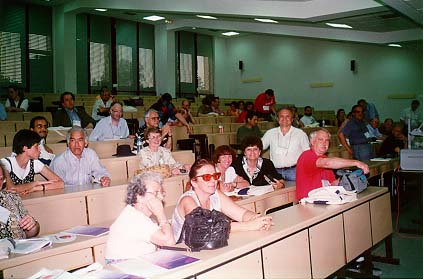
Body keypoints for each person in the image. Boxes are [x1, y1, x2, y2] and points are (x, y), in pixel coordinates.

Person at [171, 158, 273, 241]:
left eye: (215, 176)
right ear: (194, 182)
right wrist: (248, 226)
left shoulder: (216, 194)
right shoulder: (188, 200)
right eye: (206, 177)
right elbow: (205, 228)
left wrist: (258, 219)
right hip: (186, 253)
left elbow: (241, 214)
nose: (213, 181)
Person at [105, 172, 175, 262]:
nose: (161, 197)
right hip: (124, 269)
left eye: (162, 193)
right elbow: (169, 242)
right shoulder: (134, 219)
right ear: (139, 196)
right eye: (156, 193)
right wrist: (161, 214)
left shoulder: (135, 213)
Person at [296, 128, 369, 200]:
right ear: (312, 141)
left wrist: (345, 180)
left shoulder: (324, 157)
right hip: (310, 200)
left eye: (327, 140)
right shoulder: (307, 156)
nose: (324, 143)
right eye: (320, 139)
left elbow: (331, 184)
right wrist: (356, 162)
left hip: (325, 198)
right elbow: (327, 163)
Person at [0, 129, 64, 195]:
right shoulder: (5, 164)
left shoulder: (35, 163)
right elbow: (11, 188)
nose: (40, 149)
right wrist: (35, 184)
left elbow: (60, 183)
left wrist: (37, 188)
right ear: (25, 148)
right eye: (36, 146)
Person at [262, 107, 310, 181]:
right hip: (275, 172)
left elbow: (307, 154)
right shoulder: (270, 133)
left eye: (288, 116)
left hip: (294, 172)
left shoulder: (300, 134)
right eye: (281, 116)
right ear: (277, 119)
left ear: (292, 119)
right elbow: (259, 146)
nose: (284, 119)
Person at [0, 165, 40, 239]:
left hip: (18, 247)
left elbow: (30, 232)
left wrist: (32, 224)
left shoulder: (11, 197)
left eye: (1, 179)